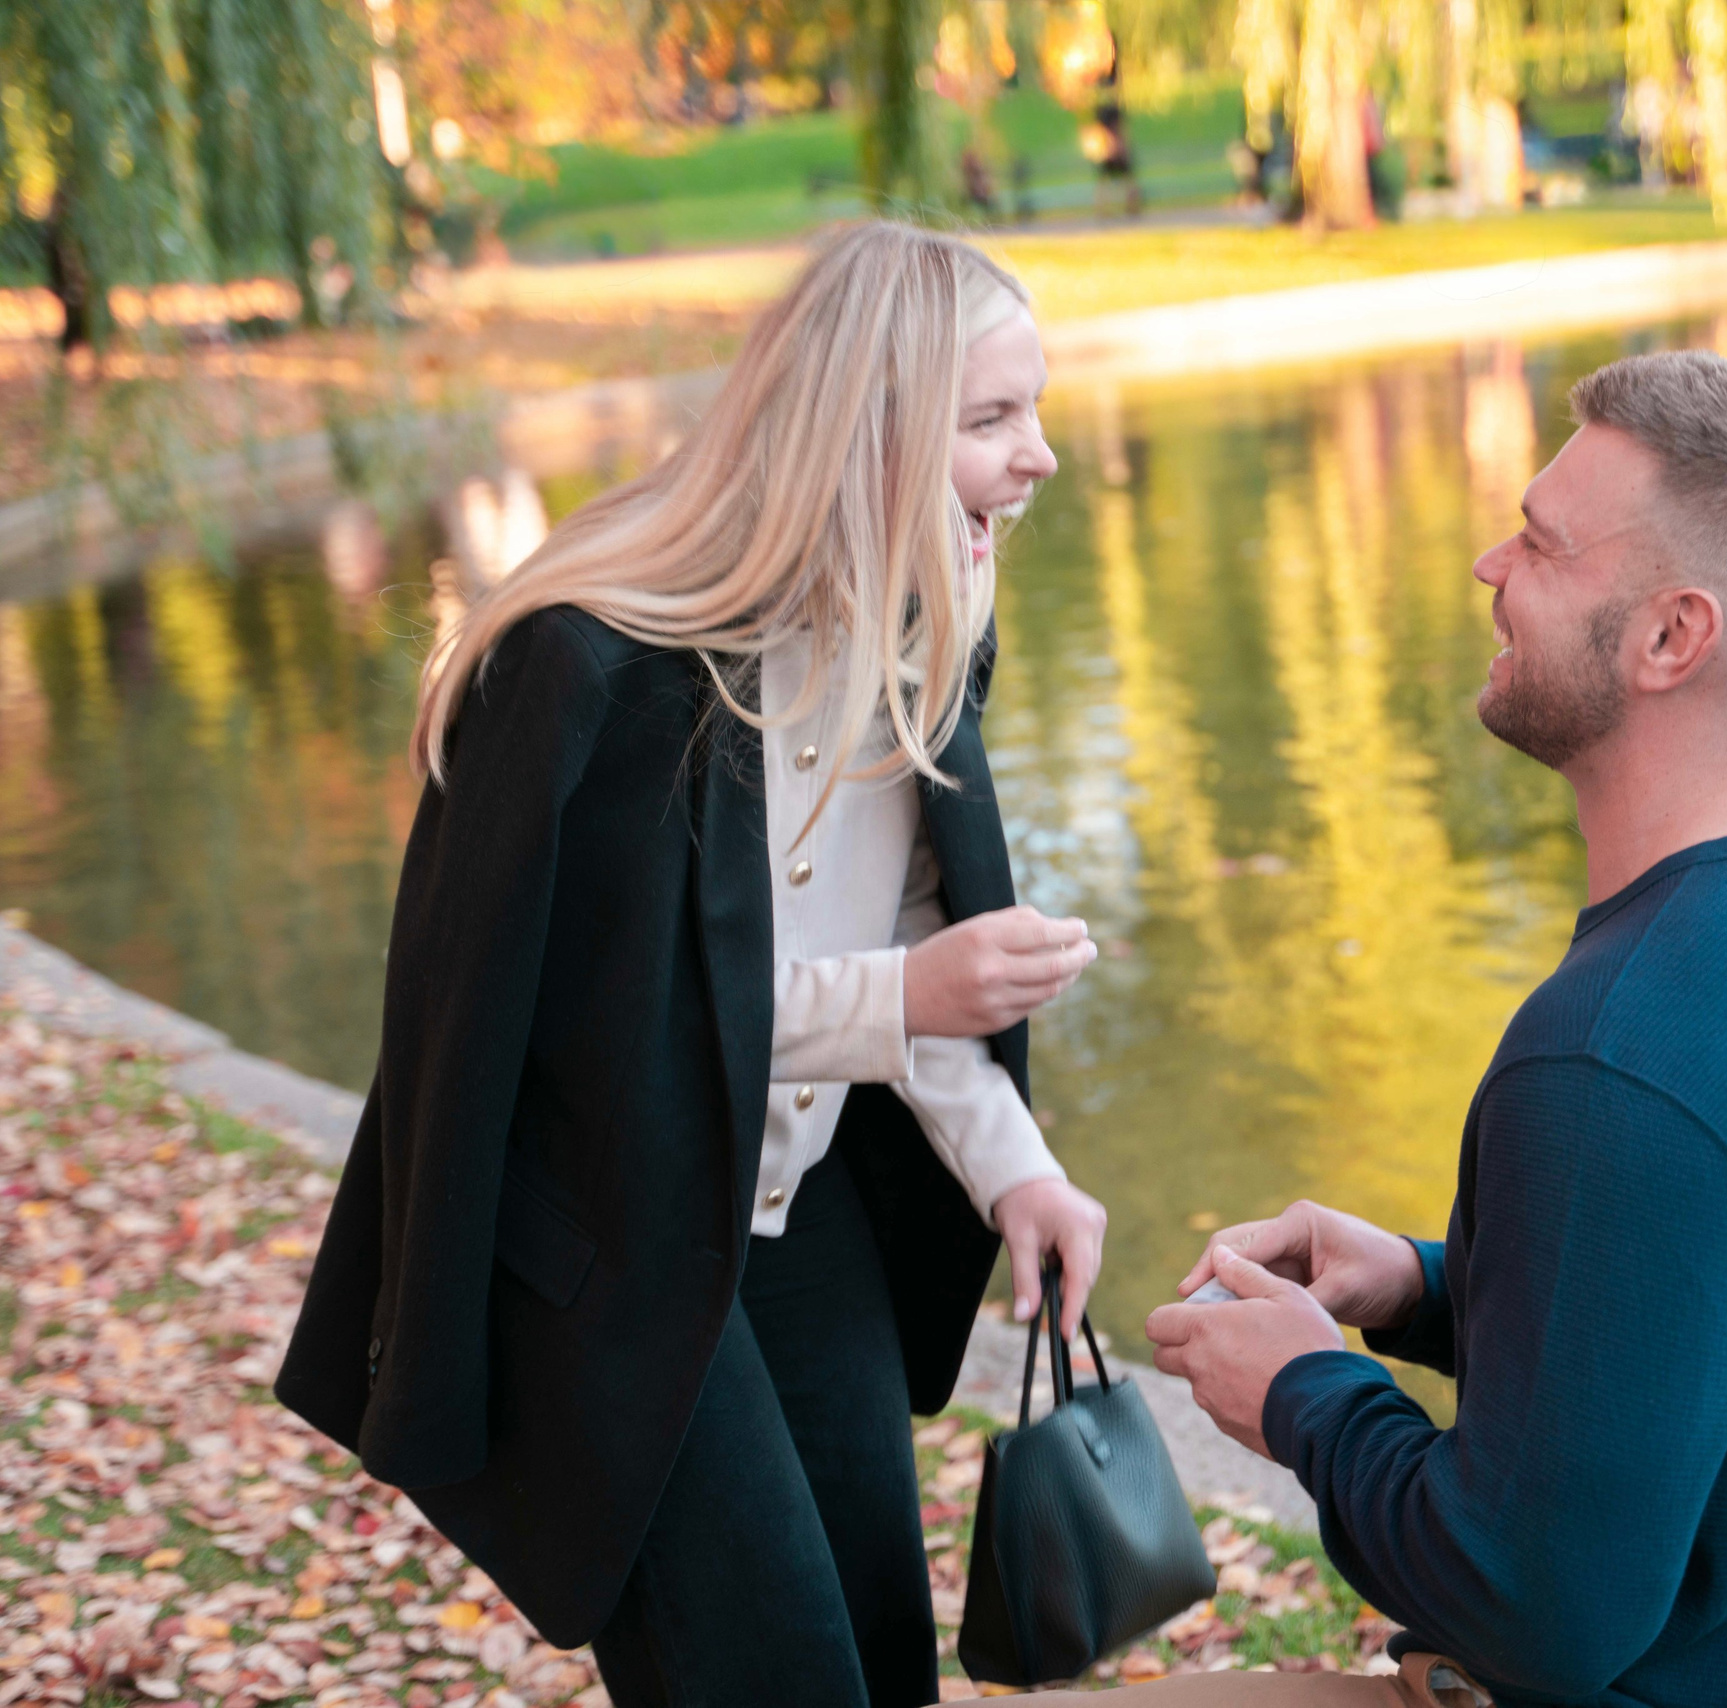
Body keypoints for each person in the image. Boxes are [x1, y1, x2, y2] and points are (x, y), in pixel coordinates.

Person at [273, 223, 1110, 1708]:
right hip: (607, 1242)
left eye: (1031, 412)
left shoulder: (927, 631)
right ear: (868, 430)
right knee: (769, 1676)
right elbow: (590, 1045)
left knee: (875, 1659)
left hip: (798, 1218)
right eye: (992, 419)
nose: (1039, 456)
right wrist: (904, 1001)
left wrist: (1016, 1170)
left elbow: (917, 944)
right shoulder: (594, 669)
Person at [1125, 351, 1727, 1705]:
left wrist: (1302, 1395)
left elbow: (1532, 1610)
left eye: (1539, 542)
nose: (1488, 563)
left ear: (1669, 638)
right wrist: (1421, 1289)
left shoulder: (1611, 1059)